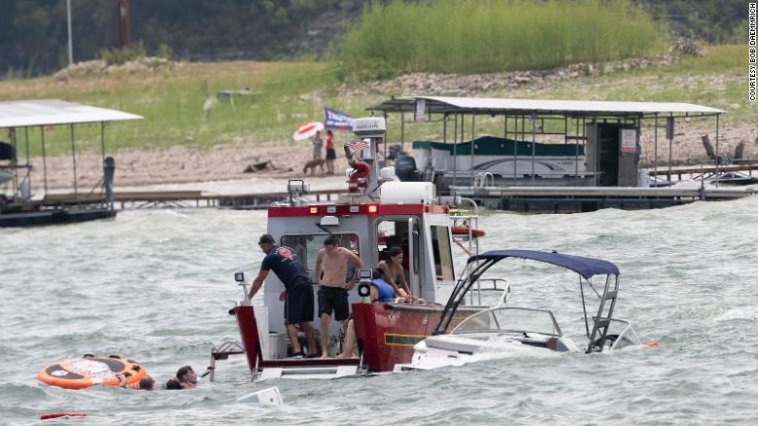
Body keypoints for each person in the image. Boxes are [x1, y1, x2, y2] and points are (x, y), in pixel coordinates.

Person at [249, 233, 317, 358]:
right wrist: (287, 290)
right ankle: (313, 351)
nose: (262, 250)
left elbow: (259, 280)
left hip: (295, 286)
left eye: (262, 248)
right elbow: (295, 269)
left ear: (266, 244)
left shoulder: (269, 258)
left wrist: (248, 298)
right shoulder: (288, 249)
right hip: (307, 283)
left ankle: (296, 352)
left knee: (289, 321)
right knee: (305, 321)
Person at [314, 234, 364, 358]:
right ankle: (324, 351)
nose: (328, 251)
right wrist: (318, 280)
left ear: (336, 247)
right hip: (325, 288)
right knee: (324, 319)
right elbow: (318, 265)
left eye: (330, 249)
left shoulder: (345, 254)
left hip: (339, 289)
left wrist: (352, 281)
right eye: (326, 248)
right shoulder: (322, 253)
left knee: (344, 321)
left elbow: (360, 265)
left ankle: (348, 350)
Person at [338, 271, 408, 358]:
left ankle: (348, 352)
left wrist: (351, 317)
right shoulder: (389, 287)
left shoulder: (372, 287)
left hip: (380, 320)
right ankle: (351, 352)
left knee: (351, 323)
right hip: (391, 318)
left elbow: (366, 305)